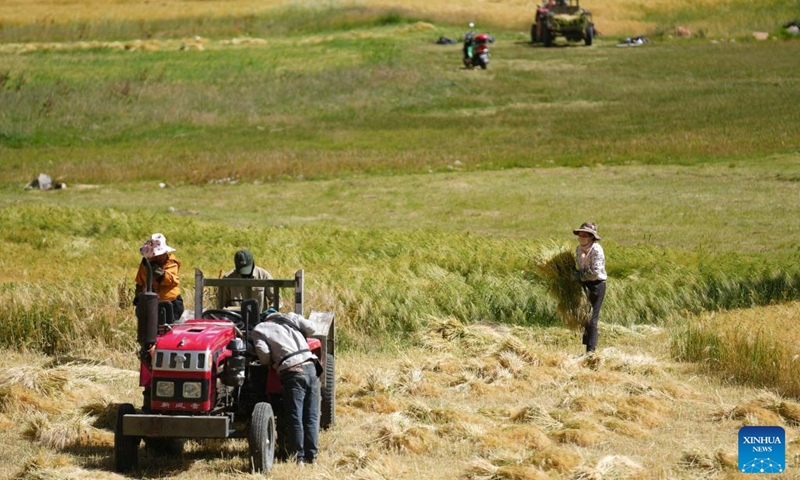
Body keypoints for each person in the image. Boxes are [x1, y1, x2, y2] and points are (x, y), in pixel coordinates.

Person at [251, 308, 321, 464]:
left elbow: (263, 357)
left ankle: (299, 458)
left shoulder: (260, 329)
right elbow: (312, 328)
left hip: (293, 373)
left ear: (265, 319)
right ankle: (312, 457)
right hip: (311, 368)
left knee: (295, 416)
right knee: (311, 416)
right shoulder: (292, 318)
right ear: (277, 314)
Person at [573, 221, 607, 354]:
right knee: (585, 317)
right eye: (580, 234)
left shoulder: (596, 249)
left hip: (597, 285)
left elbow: (596, 273)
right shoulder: (578, 249)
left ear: (592, 237)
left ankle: (591, 352)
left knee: (592, 318)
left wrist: (580, 276)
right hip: (585, 284)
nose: (582, 237)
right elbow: (580, 268)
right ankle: (587, 347)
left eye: (585, 235)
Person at [134, 233, 183, 322]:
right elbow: (140, 282)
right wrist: (138, 297)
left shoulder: (171, 263)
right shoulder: (145, 263)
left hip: (171, 304)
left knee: (169, 332)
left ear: (164, 253)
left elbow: (168, 280)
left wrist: (155, 269)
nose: (155, 257)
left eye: (157, 255)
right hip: (151, 303)